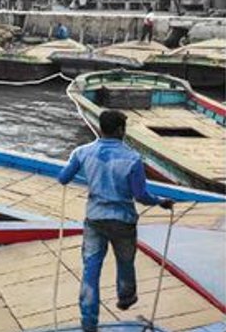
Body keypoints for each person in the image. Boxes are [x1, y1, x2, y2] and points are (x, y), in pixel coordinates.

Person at [57, 110, 174, 332]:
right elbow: (140, 195)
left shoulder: (82, 152)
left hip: (95, 219)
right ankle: (125, 297)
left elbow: (63, 178)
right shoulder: (132, 158)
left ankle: (89, 321)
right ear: (121, 130)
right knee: (125, 261)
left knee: (91, 267)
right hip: (123, 221)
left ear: (101, 128)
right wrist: (160, 202)